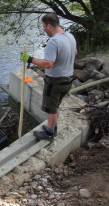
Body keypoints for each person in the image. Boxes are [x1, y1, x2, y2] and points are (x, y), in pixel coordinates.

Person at [20, 13, 77, 141]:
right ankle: (53, 126)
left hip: (55, 82)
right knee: (56, 105)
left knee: (51, 108)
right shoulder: (70, 36)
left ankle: (49, 133)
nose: (44, 29)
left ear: (49, 25)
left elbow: (48, 64)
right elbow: (75, 52)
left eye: (44, 27)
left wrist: (30, 59)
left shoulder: (54, 41)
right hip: (68, 81)